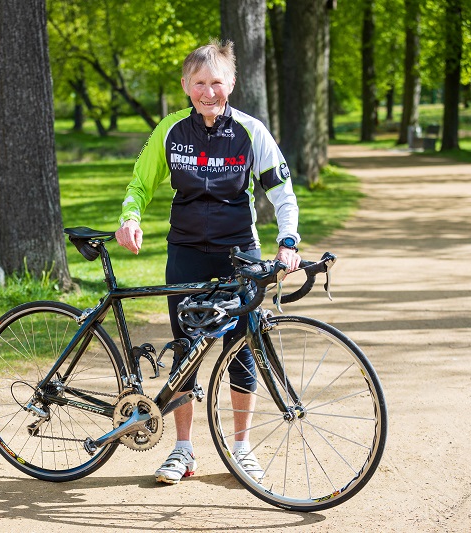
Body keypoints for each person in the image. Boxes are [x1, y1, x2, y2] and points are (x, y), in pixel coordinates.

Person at [115, 39, 301, 485]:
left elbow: (283, 194)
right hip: (185, 256)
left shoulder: (252, 132)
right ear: (185, 85)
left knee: (243, 350)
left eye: (217, 82)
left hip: (239, 255)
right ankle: (182, 450)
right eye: (199, 83)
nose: (208, 91)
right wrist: (130, 217)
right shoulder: (171, 130)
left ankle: (241, 449)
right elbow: (139, 185)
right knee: (186, 352)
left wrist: (288, 240)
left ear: (232, 82)